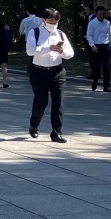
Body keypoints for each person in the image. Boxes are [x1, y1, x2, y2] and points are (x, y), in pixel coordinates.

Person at [26, 8, 74, 142]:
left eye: (55, 22)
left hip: (57, 72)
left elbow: (70, 53)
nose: (53, 24)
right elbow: (30, 51)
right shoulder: (35, 32)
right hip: (39, 72)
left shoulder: (60, 34)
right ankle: (34, 125)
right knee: (41, 101)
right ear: (44, 20)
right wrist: (48, 48)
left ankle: (56, 132)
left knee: (58, 102)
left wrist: (62, 51)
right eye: (50, 21)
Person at [85, 7, 111, 92]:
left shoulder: (107, 23)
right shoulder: (92, 23)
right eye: (99, 14)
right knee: (96, 67)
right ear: (96, 14)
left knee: (107, 67)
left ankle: (106, 86)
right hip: (96, 46)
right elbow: (89, 35)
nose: (101, 16)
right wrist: (92, 45)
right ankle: (95, 80)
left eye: (103, 14)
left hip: (106, 46)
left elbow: (110, 35)